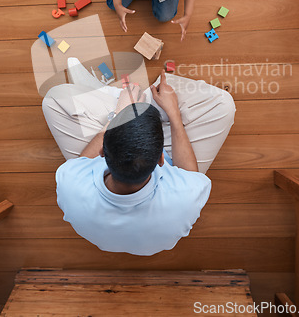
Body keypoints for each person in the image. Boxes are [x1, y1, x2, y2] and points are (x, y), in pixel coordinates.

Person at [42, 61, 236, 256]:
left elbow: (80, 163)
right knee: (224, 104)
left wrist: (118, 113)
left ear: (101, 153)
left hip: (117, 145)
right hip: (164, 156)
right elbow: (190, 176)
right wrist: (174, 113)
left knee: (53, 100)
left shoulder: (69, 184)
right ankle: (150, 104)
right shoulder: (186, 194)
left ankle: (121, 101)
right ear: (161, 159)